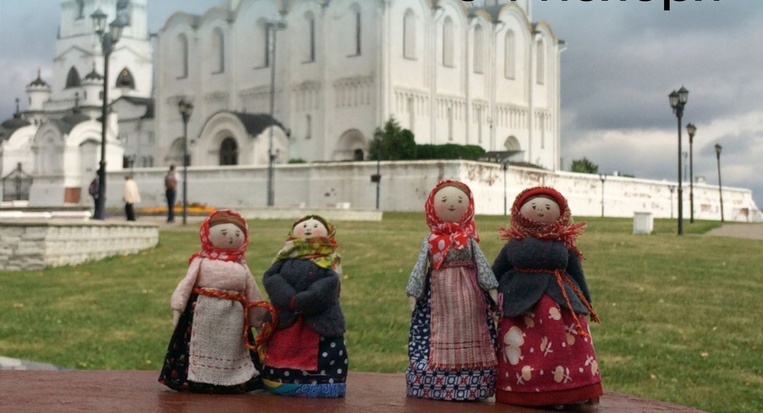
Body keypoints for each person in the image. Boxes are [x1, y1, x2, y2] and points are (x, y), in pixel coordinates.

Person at [492, 186, 602, 408]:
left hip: (559, 301)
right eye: (534, 206)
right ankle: (523, 388)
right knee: (518, 343)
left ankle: (570, 387)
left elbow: (576, 271)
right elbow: (498, 269)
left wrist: (585, 301)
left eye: (548, 207)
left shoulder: (563, 244)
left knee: (566, 341)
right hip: (520, 303)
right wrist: (489, 293)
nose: (541, 210)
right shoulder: (514, 244)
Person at [158, 209, 274, 393]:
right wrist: (178, 307)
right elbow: (186, 283)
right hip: (203, 313)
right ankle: (196, 379)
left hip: (234, 317)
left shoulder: (241, 265)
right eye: (224, 233)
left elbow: (252, 290)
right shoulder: (200, 261)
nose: (231, 238)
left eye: (237, 234)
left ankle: (232, 380)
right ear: (207, 235)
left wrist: (258, 320)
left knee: (231, 347)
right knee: (199, 347)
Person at [405, 180, 499, 401]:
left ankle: (475, 383)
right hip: (438, 292)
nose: (451, 205)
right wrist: (414, 291)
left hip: (469, 292)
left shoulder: (468, 240)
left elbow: (482, 263)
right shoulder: (431, 240)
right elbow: (420, 266)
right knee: (434, 330)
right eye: (445, 200)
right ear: (432, 206)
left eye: (458, 201)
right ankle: (431, 380)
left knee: (473, 324)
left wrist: (491, 287)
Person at [260, 215, 347, 398]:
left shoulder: (330, 261)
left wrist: (306, 299)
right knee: (282, 346)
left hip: (319, 318)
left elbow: (330, 283)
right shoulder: (284, 256)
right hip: (286, 318)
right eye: (304, 226)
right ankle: (278, 379)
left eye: (315, 226)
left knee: (324, 348)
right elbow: (271, 277)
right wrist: (289, 298)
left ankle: (323, 382)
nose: (308, 229)